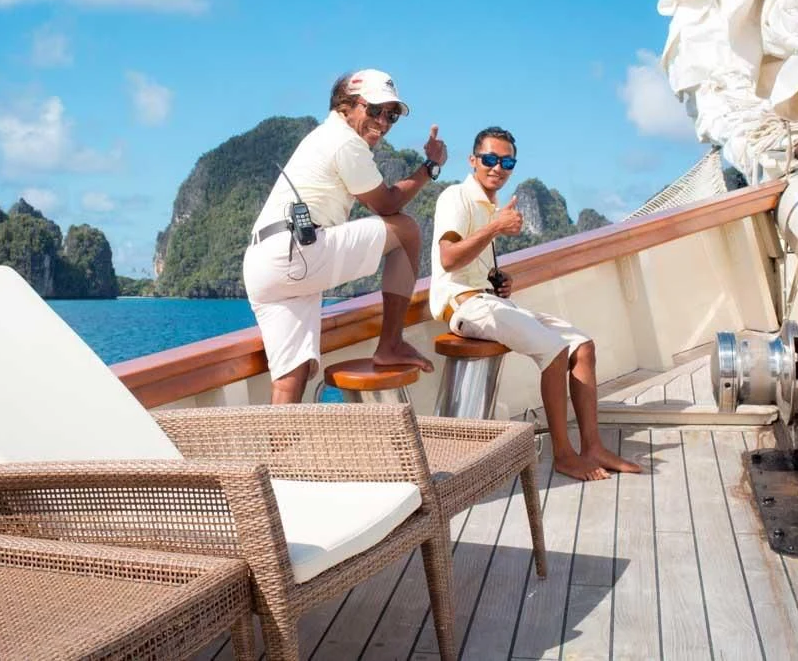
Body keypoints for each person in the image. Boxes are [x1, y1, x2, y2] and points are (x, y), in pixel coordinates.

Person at [430, 126, 642, 481]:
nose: (498, 167)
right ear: (473, 161)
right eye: (490, 159)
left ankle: (593, 446)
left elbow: (472, 263)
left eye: (507, 161)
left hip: (486, 301)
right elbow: (449, 259)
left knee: (582, 347)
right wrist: (495, 229)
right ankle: (564, 454)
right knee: (555, 351)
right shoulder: (456, 197)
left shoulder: (490, 205)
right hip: (463, 307)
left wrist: (498, 280)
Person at [244, 69, 448, 404]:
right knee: (407, 229)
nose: (383, 122)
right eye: (375, 110)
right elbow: (387, 204)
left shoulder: (322, 137)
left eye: (392, 115)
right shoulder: (345, 142)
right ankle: (391, 344)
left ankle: (279, 457)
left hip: (263, 265)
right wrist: (429, 167)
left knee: (290, 377)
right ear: (345, 107)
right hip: (297, 254)